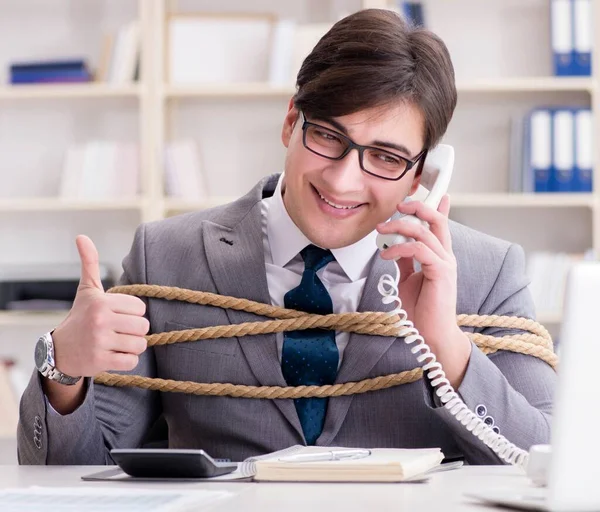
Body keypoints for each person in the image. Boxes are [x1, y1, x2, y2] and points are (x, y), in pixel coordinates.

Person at [18, 8, 555, 466]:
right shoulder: (166, 258)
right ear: (291, 122)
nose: (343, 180)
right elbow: (81, 474)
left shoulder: (486, 273)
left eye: (386, 158)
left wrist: (446, 346)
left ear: (421, 177)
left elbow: (549, 463)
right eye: (327, 136)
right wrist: (62, 370)